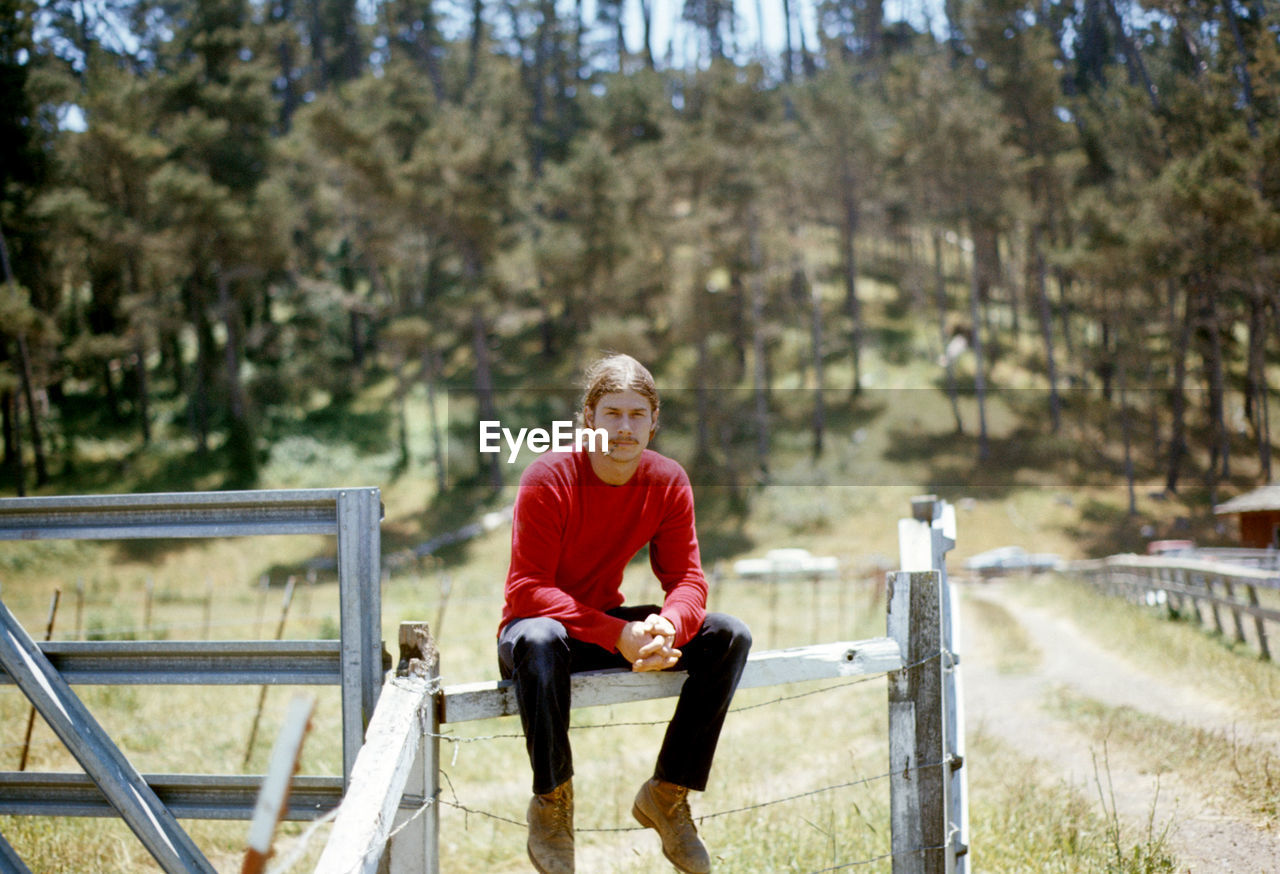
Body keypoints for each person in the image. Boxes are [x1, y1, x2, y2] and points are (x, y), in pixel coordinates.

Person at [498, 353, 752, 874]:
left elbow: (687, 579)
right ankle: (551, 804)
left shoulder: (667, 480)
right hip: (537, 636)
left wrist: (667, 625)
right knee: (541, 639)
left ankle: (668, 793)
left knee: (728, 634)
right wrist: (619, 634)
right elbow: (527, 589)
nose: (624, 427)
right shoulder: (549, 476)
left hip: (605, 626)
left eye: (637, 414)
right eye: (612, 413)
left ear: (654, 421)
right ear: (588, 418)